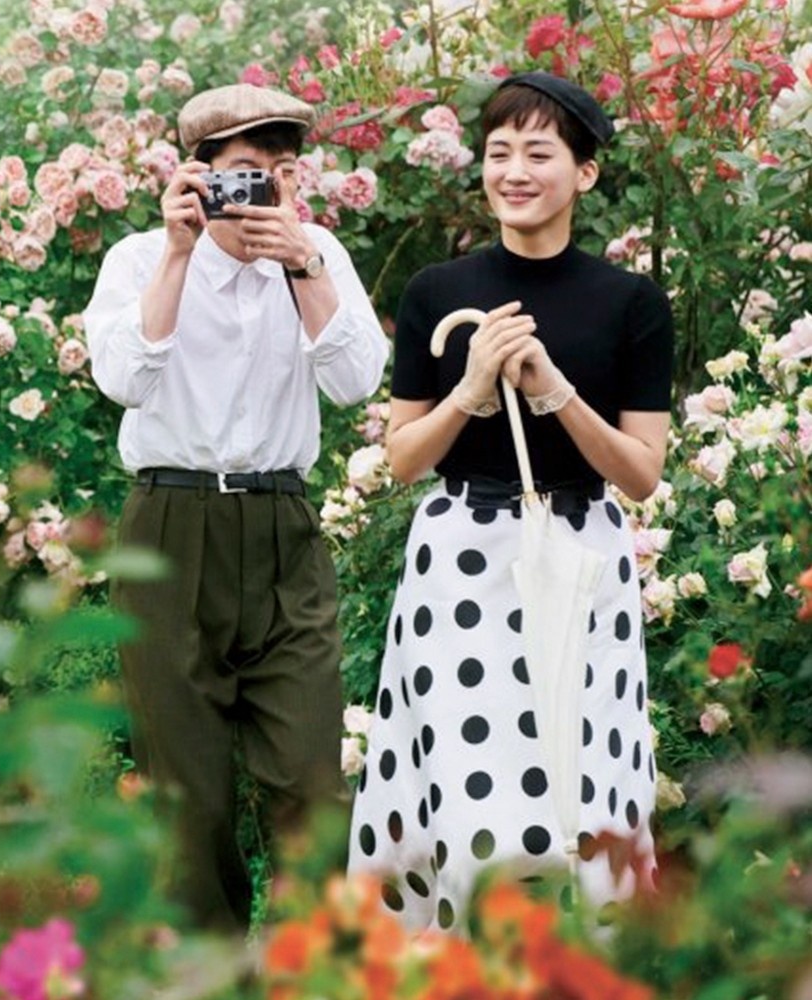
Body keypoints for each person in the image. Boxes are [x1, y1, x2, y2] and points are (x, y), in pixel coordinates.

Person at [346, 72, 672, 930]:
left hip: (584, 552)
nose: (514, 171)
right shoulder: (436, 293)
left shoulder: (630, 303)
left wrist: (556, 390)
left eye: (539, 152)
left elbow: (641, 474)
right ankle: (458, 967)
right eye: (498, 153)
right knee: (470, 795)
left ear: (585, 173)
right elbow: (404, 458)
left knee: (584, 785)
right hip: (460, 561)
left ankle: (593, 970)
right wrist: (473, 389)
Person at [83, 83, 389, 933]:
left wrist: (304, 265)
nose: (265, 194)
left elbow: (357, 380)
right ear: (199, 177)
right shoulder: (141, 260)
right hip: (171, 526)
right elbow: (124, 380)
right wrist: (180, 256)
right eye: (246, 173)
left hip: (283, 528)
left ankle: (311, 973)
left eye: (282, 173)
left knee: (307, 781)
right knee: (190, 797)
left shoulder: (315, 252)